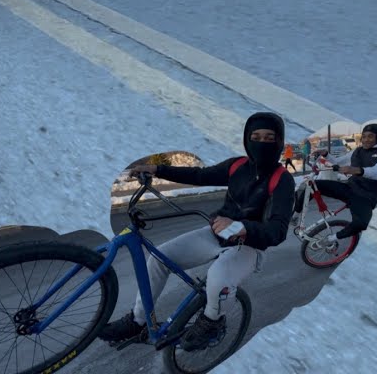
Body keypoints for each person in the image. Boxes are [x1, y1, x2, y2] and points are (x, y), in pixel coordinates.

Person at [99, 112, 295, 351]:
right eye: (255, 136)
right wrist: (157, 169)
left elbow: (278, 230)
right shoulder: (238, 166)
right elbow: (199, 175)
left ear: (279, 141)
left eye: (268, 138)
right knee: (159, 258)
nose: (261, 143)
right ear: (246, 139)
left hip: (250, 245)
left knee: (218, 277)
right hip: (216, 234)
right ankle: (139, 320)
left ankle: (212, 322)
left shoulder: (282, 180)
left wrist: (244, 227)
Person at [296, 122, 377, 240]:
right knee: (312, 185)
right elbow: (339, 162)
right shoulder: (357, 151)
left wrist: (356, 170)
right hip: (349, 188)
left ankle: (332, 239)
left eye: (370, 136)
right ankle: (296, 215)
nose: (366, 140)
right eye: (364, 136)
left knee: (361, 224)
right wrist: (326, 154)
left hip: (366, 197)